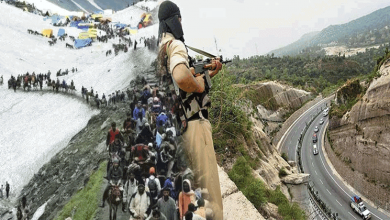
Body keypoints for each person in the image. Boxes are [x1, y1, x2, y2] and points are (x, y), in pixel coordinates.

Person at [158, 2, 223, 219]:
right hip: (195, 125)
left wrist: (208, 74)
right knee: (210, 192)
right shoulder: (176, 45)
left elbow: (181, 87)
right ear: (174, 20)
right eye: (179, 19)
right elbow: (182, 77)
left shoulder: (161, 50)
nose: (181, 23)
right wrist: (199, 85)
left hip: (181, 130)